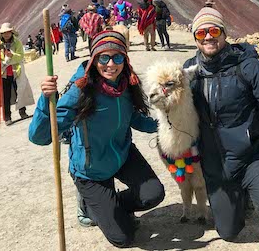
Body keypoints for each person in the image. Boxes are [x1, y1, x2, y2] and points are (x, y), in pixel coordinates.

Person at [29, 31, 165, 247]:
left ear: (125, 59)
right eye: (104, 57)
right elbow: (41, 137)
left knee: (153, 194)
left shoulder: (127, 83)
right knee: (123, 238)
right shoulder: (80, 90)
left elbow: (134, 118)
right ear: (94, 59)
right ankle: (90, 206)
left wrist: (165, 125)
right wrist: (46, 101)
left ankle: (109, 207)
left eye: (117, 57)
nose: (111, 64)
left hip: (122, 154)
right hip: (90, 170)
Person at [183, 4, 259, 251]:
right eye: (201, 33)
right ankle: (242, 200)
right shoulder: (190, 70)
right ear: (195, 38)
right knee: (228, 232)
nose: (209, 37)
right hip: (216, 164)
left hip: (253, 155)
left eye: (214, 30)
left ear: (224, 33)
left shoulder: (248, 66)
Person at [0, 23, 34, 126]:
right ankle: (7, 117)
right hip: (3, 73)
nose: (6, 34)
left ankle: (22, 111)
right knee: (5, 96)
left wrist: (11, 55)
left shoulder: (17, 43)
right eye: (4, 33)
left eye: (8, 32)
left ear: (11, 32)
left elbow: (21, 57)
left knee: (20, 92)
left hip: (16, 71)